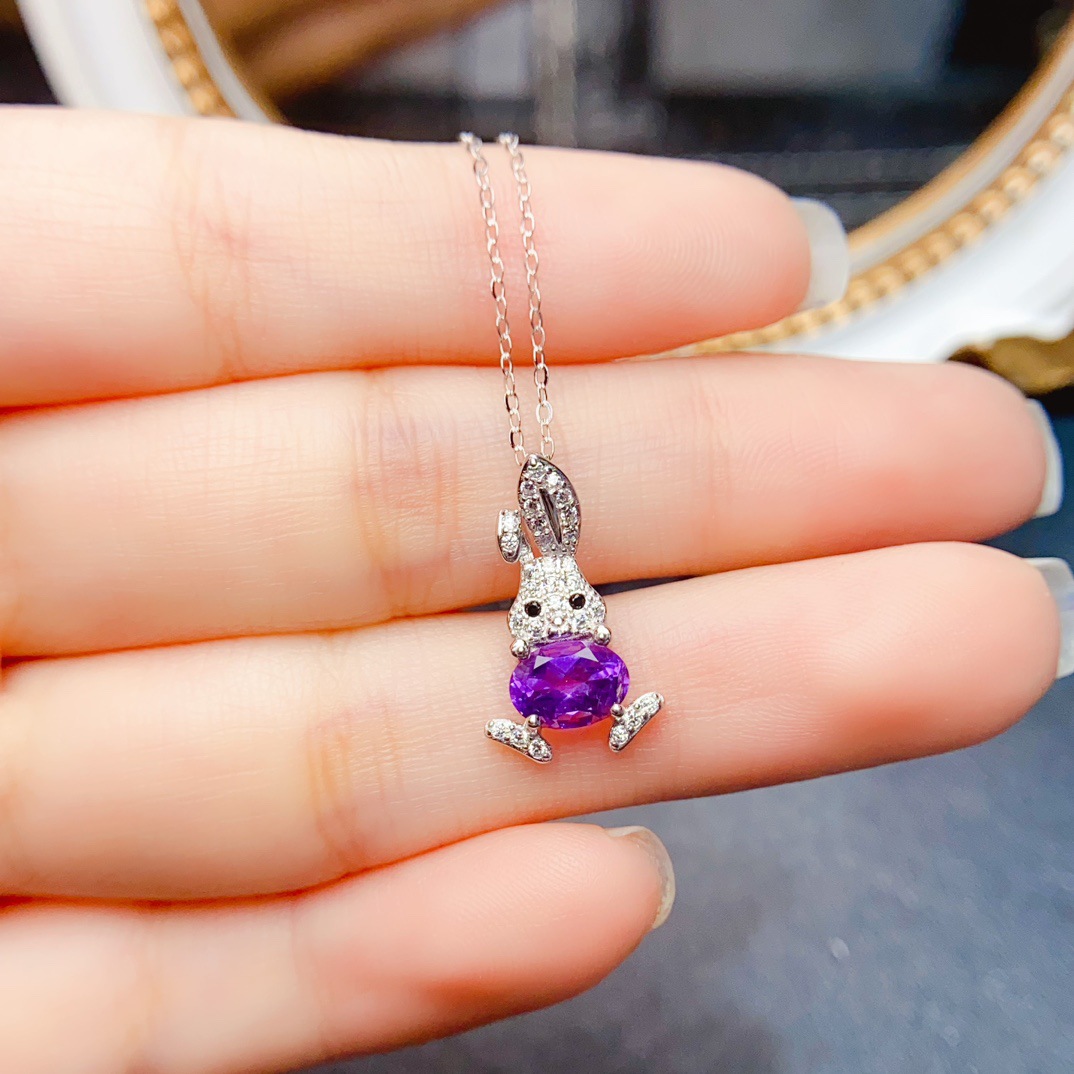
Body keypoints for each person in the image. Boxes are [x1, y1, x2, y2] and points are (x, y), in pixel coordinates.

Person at [0, 107, 1065, 1073]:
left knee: (591, 680)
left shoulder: (563, 580)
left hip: (583, 659)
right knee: (543, 691)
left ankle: (598, 721)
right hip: (546, 665)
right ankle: (553, 731)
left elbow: (562, 585)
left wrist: (566, 620)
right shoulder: (539, 585)